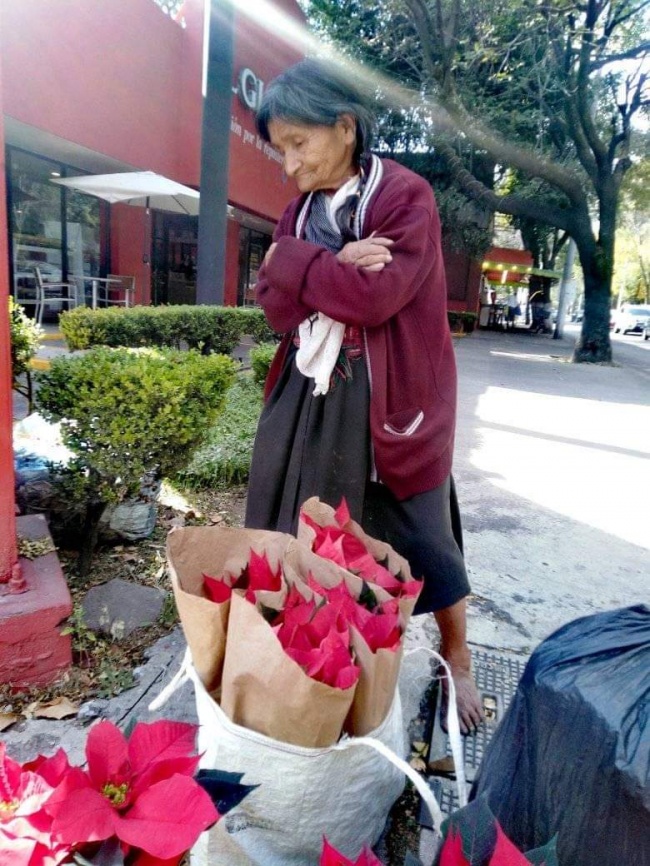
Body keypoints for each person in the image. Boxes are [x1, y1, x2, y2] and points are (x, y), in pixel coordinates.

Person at [244, 59, 484, 734]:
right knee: (310, 528)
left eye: (299, 143)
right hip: (313, 391)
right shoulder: (301, 209)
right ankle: (325, 654)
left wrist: (290, 261)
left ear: (345, 128)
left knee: (423, 531)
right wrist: (325, 266)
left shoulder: (405, 198)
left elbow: (372, 298)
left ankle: (457, 654)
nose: (288, 165)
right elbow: (274, 310)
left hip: (394, 399)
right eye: (280, 148)